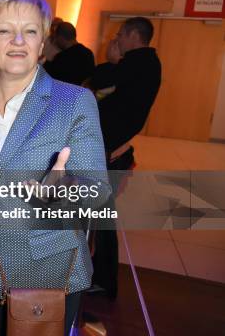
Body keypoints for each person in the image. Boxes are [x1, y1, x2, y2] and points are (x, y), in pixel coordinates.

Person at [0, 0, 110, 336]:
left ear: (43, 43)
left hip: (45, 276)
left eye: (30, 31)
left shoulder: (74, 102)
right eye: (5, 30)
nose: (18, 40)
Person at [87, 16, 161, 298]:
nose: (116, 40)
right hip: (113, 147)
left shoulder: (138, 61)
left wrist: (112, 59)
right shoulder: (147, 63)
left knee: (102, 220)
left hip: (112, 152)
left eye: (119, 35)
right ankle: (98, 274)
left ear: (132, 35)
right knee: (99, 218)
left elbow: (100, 80)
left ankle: (104, 280)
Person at [44, 21, 95, 86]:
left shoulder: (62, 57)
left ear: (60, 37)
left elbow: (52, 78)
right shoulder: (88, 53)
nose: (55, 41)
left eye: (56, 37)